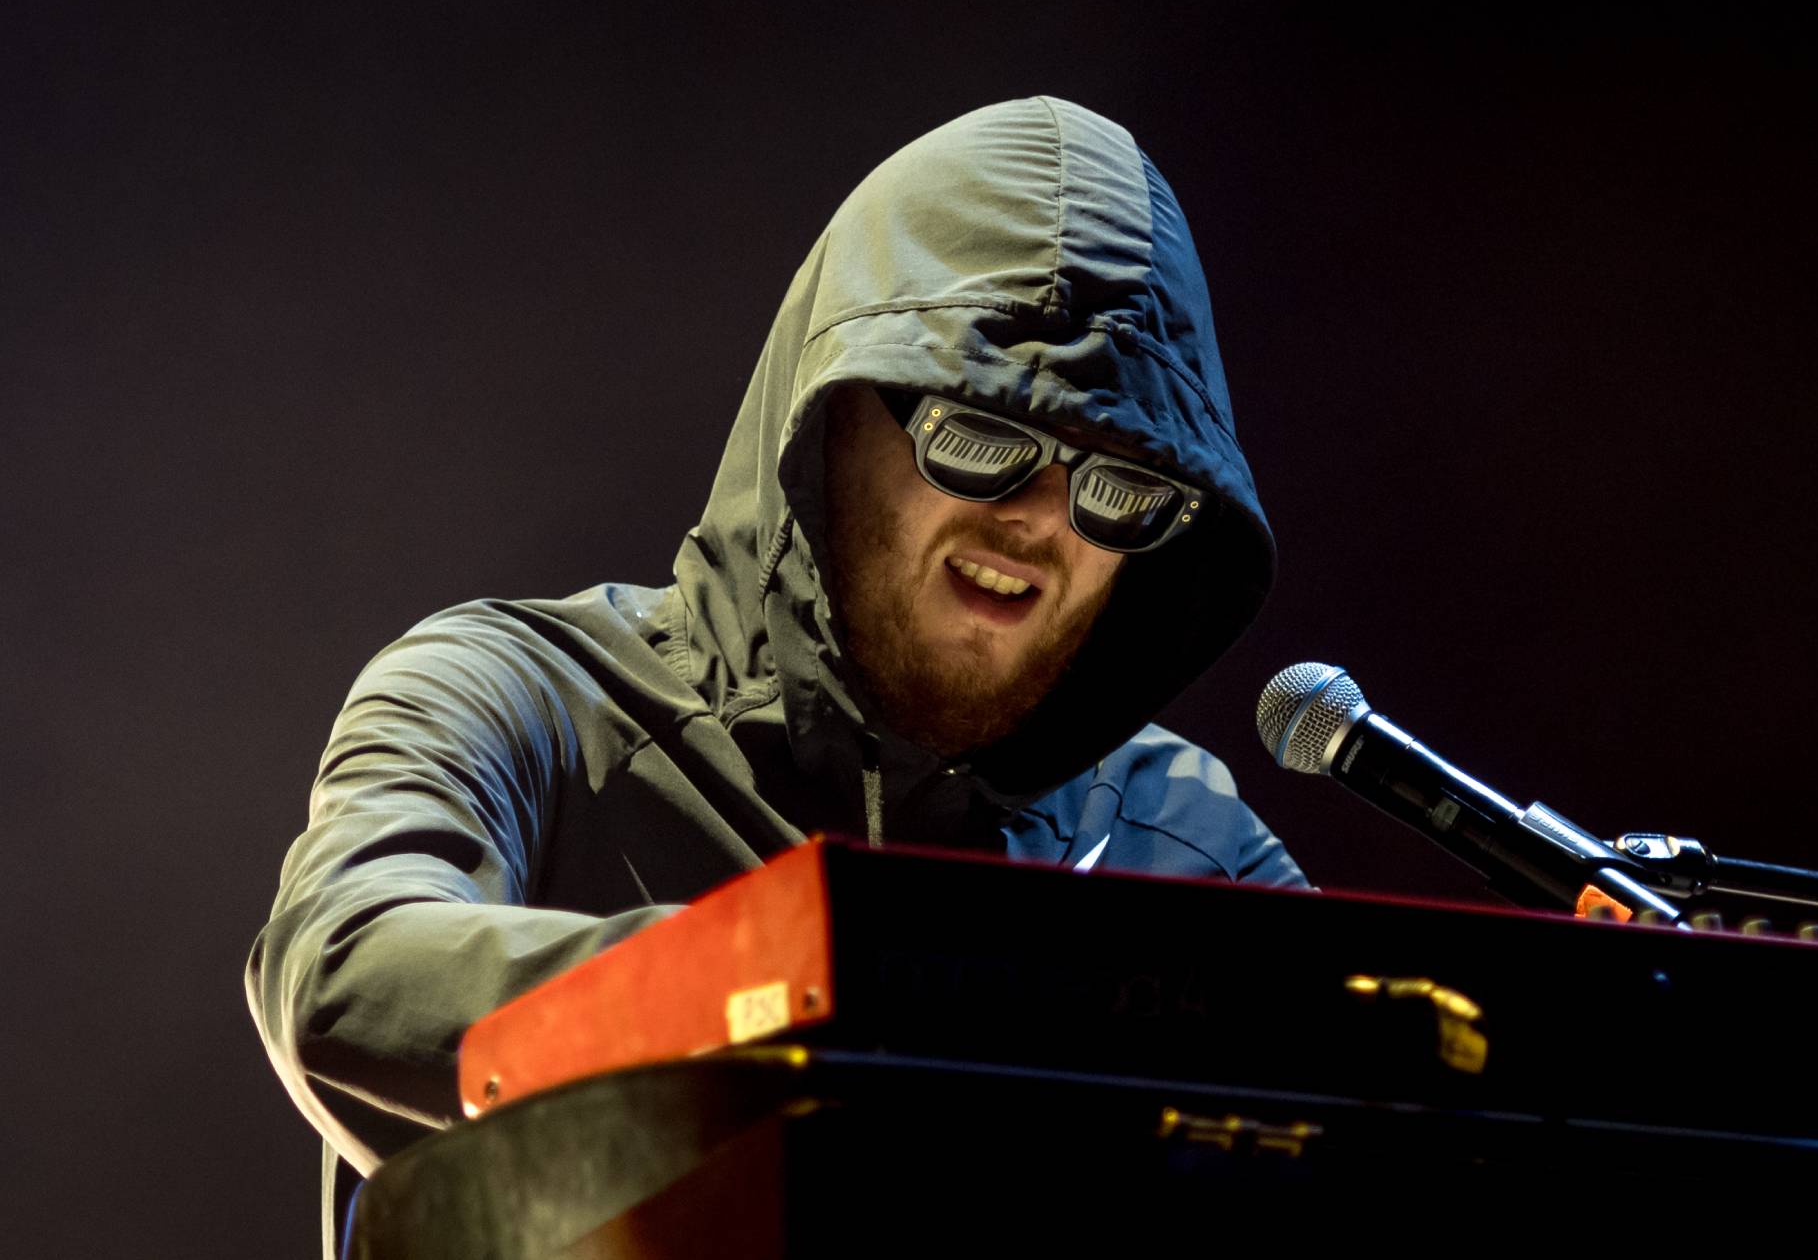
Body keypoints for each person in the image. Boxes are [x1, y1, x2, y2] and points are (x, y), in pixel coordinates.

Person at [246, 95, 1308, 1255]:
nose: (1041, 523)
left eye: (1117, 485)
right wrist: (805, 994)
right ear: (832, 419)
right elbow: (343, 970)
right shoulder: (520, 695)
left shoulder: (1175, 826)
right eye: (982, 437)